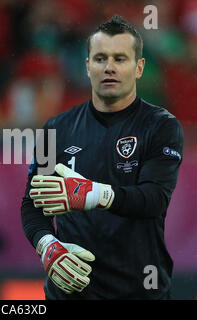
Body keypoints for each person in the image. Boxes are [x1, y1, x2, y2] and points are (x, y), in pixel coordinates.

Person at [21, 15, 184, 300]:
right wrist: (47, 245)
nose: (109, 67)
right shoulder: (54, 129)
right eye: (100, 58)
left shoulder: (162, 126)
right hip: (71, 292)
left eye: (120, 59)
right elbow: (33, 204)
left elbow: (155, 198)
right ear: (87, 66)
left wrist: (93, 194)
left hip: (140, 292)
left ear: (139, 67)